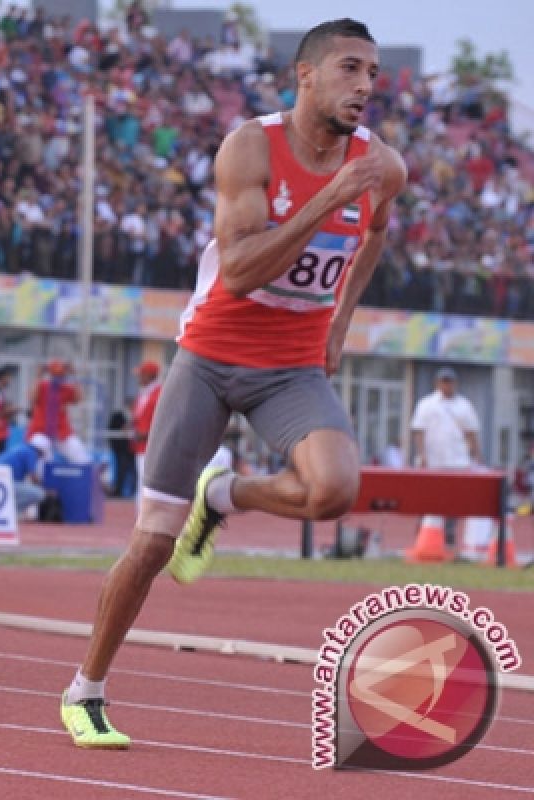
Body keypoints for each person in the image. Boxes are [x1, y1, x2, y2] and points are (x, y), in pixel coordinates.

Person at [60, 19, 406, 749]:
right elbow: (243, 270)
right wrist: (328, 196)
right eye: (351, 69)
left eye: (374, 73)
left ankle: (222, 495)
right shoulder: (252, 146)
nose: (366, 86)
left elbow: (374, 233)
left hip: (292, 366)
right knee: (152, 541)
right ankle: (85, 689)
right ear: (305, 74)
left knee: (335, 491)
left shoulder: (384, 167)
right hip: (211, 357)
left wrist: (340, 323)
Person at [410, 366, 482, 546]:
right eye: (443, 381)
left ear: (455, 384)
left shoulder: (464, 405)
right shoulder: (427, 404)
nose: (446, 385)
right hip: (433, 461)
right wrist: (421, 455)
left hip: (457, 461)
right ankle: (423, 537)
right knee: (428, 500)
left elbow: (471, 432)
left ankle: (449, 538)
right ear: (437, 383)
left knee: (454, 502)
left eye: (449, 382)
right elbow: (419, 431)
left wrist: (476, 456)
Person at [27, 360, 90, 464]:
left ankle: (89, 476)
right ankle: (42, 477)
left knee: (78, 451)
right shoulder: (43, 386)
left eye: (61, 375)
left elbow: (78, 399)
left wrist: (74, 375)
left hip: (61, 430)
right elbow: (32, 398)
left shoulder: (65, 388)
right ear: (51, 375)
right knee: (41, 447)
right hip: (40, 430)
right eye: (56, 375)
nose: (59, 377)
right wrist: (38, 375)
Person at [0, 432, 53, 517]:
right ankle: (11, 511)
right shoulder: (31, 453)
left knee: (26, 489)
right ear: (41, 450)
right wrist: (46, 490)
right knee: (39, 494)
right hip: (4, 482)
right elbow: (33, 476)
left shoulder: (22, 448)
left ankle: (8, 510)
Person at [129, 360, 162, 500]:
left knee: (149, 485)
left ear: (150, 376)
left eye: (141, 375)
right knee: (141, 484)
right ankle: (140, 519)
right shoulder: (143, 394)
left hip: (152, 447)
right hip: (140, 446)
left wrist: (147, 434)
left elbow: (164, 420)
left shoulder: (159, 394)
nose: (139, 378)